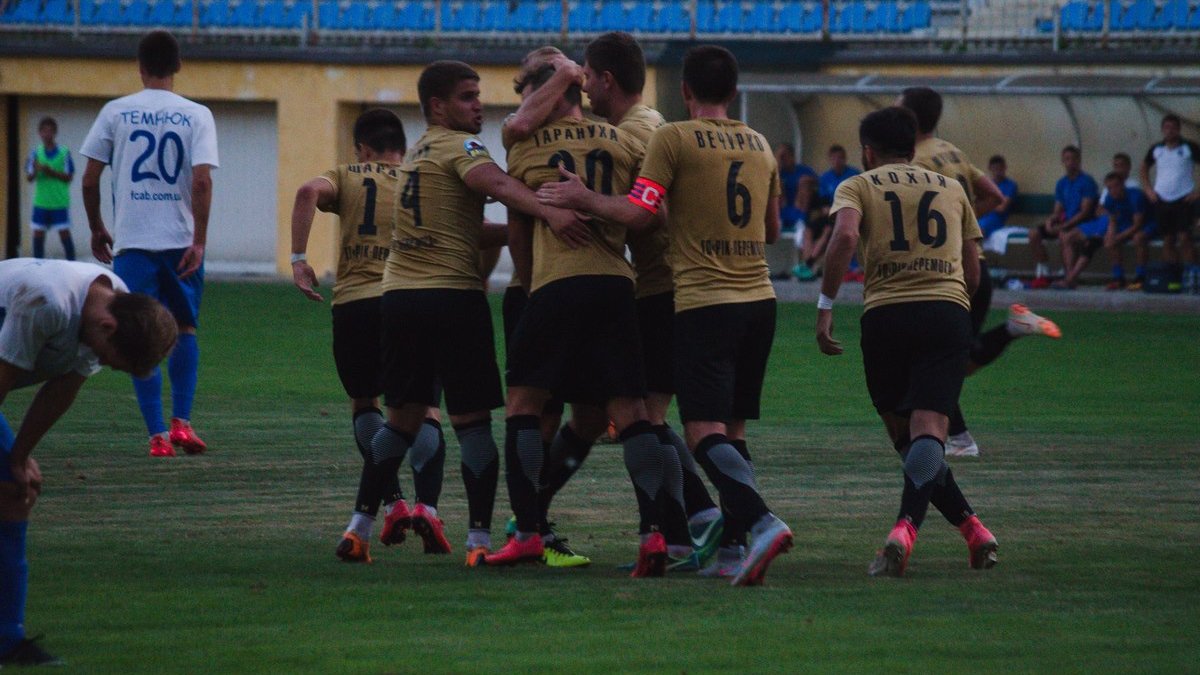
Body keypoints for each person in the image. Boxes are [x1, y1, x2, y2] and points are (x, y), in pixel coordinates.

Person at [537, 45, 794, 586]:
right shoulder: (760, 144)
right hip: (760, 299)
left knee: (692, 430)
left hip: (700, 300)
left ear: (685, 90)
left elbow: (640, 211)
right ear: (735, 90)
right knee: (732, 429)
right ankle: (732, 550)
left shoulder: (672, 137)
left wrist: (583, 196)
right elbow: (772, 230)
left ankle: (757, 522)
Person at [499, 34, 724, 570]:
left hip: (582, 286)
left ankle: (528, 529)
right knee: (621, 413)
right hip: (621, 286)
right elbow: (653, 211)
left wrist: (531, 289)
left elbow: (518, 229)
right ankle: (655, 537)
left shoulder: (531, 145)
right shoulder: (622, 140)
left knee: (527, 405)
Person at [375, 61, 591, 568]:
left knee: (402, 417)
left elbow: (471, 224)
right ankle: (508, 532)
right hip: (472, 294)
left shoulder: (419, 152)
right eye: (469, 96)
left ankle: (363, 521)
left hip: (400, 294)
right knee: (513, 416)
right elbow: (500, 183)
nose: (481, 105)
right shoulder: (480, 145)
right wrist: (552, 210)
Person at [815, 106, 998, 578]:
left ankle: (910, 531)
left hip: (886, 316)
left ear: (867, 152)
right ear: (913, 147)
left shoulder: (858, 185)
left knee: (905, 435)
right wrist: (953, 309)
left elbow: (845, 235)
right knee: (928, 433)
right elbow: (973, 270)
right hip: (945, 312)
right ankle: (972, 529)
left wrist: (825, 304)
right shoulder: (952, 188)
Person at [1, 258, 177, 666]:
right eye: (114, 361)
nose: (107, 366)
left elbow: (64, 387)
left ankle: (7, 638)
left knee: (15, 490)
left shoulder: (112, 301)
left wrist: (19, 457)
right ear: (108, 328)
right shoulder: (45, 302)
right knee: (8, 488)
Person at [289, 108, 422, 563]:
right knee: (416, 411)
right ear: (401, 147)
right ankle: (424, 507)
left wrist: (298, 259)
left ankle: (393, 504)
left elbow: (307, 191)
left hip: (353, 305)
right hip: (404, 299)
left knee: (365, 404)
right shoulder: (417, 179)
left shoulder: (346, 174)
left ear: (363, 148)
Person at [900, 86, 1059, 458]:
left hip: (946, 272)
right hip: (976, 266)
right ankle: (1012, 329)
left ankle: (959, 439)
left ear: (909, 117)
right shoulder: (951, 151)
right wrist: (958, 220)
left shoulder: (915, 160)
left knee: (931, 361)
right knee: (953, 360)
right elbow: (994, 197)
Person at [80, 30, 218, 457]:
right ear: (178, 66)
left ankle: (157, 436)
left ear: (139, 67)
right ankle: (182, 424)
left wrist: (97, 226)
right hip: (179, 243)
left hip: (133, 241)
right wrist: (199, 240)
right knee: (185, 328)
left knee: (137, 333)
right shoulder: (197, 115)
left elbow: (89, 179)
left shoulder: (115, 112)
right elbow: (201, 180)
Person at [1140, 114, 1200, 291]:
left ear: (1178, 129)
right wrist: (1148, 189)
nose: (1170, 131)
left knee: (1185, 238)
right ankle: (1173, 278)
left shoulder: (1189, 147)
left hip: (1183, 198)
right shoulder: (1156, 149)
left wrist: (1198, 192)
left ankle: (1193, 277)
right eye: (1167, 127)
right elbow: (1144, 167)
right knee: (1167, 239)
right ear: (1162, 129)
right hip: (1162, 199)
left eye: (1173, 127)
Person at [1029, 146, 1098, 289]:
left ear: (1079, 160)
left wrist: (1064, 226)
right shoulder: (1062, 183)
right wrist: (1050, 222)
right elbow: (1057, 210)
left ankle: (1069, 277)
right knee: (1034, 234)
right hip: (1065, 222)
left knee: (1064, 235)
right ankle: (1044, 271)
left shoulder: (1087, 181)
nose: (1070, 162)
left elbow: (1085, 212)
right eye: (1067, 159)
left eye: (1073, 159)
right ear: (1063, 161)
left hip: (1081, 223)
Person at [24, 117, 77, 260]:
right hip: (41, 201)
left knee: (64, 233)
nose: (47, 134)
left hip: (59, 200)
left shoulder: (64, 152)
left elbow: (69, 176)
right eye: (44, 131)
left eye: (50, 131)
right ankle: (37, 264)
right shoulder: (35, 153)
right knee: (38, 233)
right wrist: (35, 170)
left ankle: (72, 264)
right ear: (39, 133)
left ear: (55, 133)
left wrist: (50, 171)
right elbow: (29, 178)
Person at [816, 145, 862, 281]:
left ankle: (851, 266)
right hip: (832, 215)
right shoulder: (825, 178)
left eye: (840, 158)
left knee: (841, 231)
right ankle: (810, 264)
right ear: (830, 159)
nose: (837, 161)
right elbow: (823, 205)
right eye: (834, 158)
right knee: (811, 229)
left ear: (845, 159)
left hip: (852, 214)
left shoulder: (854, 175)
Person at [1097, 172, 1150, 290]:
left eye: (1116, 186)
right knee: (1111, 239)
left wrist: (1117, 237)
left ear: (1123, 185)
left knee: (1138, 237)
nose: (1113, 190)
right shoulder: (1110, 198)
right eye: (1109, 188)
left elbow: (1137, 225)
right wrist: (1111, 230)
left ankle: (1141, 276)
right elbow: (1105, 213)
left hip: (1146, 224)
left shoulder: (1136, 196)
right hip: (1126, 224)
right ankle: (1118, 277)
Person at [776, 142, 817, 234]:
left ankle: (800, 220)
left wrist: (806, 180)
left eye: (784, 156)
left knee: (804, 182)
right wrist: (778, 163)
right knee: (777, 183)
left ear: (792, 156)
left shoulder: (803, 170)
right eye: (781, 157)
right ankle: (779, 220)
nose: (783, 159)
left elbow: (818, 181)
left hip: (800, 206)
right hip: (783, 206)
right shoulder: (779, 172)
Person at [976, 155, 1017, 238]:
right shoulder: (986, 185)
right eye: (995, 169)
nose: (997, 172)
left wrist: (985, 206)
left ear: (1005, 168)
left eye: (1000, 169)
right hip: (982, 217)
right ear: (990, 168)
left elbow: (1002, 208)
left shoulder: (1010, 185)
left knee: (978, 231)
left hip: (996, 219)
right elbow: (977, 204)